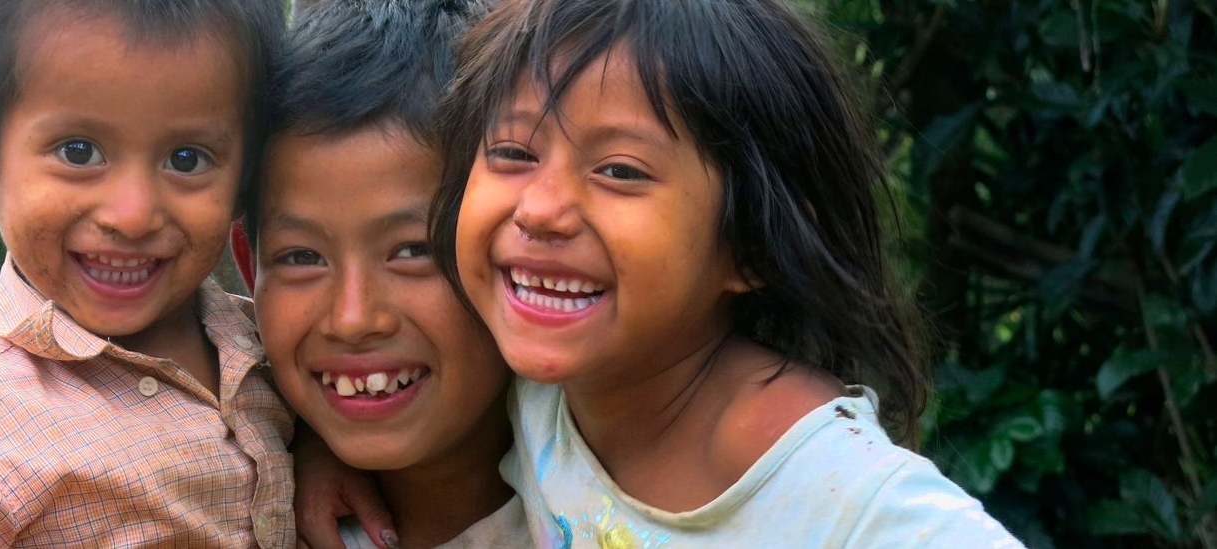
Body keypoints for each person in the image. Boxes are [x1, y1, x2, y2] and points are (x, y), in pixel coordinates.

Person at [307, 0, 1031, 545]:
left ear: (751, 243)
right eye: (514, 154)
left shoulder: (828, 485)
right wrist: (302, 447)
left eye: (620, 170)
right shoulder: (545, 386)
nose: (543, 208)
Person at [0, 1, 292, 546]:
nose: (132, 215)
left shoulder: (274, 350)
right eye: (78, 151)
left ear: (249, 165)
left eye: (187, 159)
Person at [246, 1, 527, 548]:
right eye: (302, 257)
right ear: (248, 261)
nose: (353, 319)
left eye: (413, 251)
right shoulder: (221, 501)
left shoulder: (625, 492)